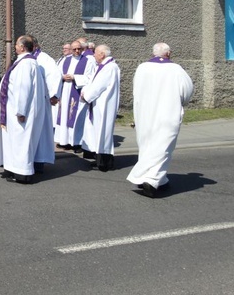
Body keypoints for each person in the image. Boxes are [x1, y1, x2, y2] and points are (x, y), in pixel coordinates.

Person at [127, 43, 194, 197]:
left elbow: (136, 90)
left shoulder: (142, 68)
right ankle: (151, 180)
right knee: (163, 147)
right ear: (169, 54)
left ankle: (158, 179)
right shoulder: (176, 69)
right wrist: (181, 101)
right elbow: (187, 90)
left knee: (147, 145)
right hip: (167, 112)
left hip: (145, 114)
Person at [0, 35, 47, 184]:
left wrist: (21, 111)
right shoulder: (27, 62)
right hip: (14, 110)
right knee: (15, 142)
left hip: (20, 113)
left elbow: (23, 89)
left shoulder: (26, 64)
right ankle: (13, 168)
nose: (14, 47)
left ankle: (22, 174)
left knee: (21, 142)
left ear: (22, 47)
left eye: (16, 45)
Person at [80, 44, 120, 171]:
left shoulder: (110, 67)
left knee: (104, 132)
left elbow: (99, 86)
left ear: (102, 54)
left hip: (104, 105)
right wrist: (85, 91)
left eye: (95, 53)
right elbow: (91, 82)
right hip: (98, 104)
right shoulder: (102, 66)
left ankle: (105, 162)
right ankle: (99, 159)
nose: (93, 55)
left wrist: (86, 96)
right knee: (98, 131)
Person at [55, 39, 96, 151]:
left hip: (78, 91)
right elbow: (57, 73)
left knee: (77, 116)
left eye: (79, 49)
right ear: (71, 50)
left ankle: (76, 142)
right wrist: (62, 77)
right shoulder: (65, 60)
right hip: (65, 91)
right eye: (74, 49)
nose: (77, 51)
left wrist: (74, 77)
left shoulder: (88, 61)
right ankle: (65, 141)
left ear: (82, 49)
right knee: (64, 116)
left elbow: (90, 77)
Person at [32, 37, 61, 173]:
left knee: (41, 132)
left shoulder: (45, 59)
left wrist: (54, 95)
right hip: (30, 103)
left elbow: (54, 76)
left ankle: (39, 161)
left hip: (42, 102)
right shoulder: (27, 59)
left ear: (35, 46)